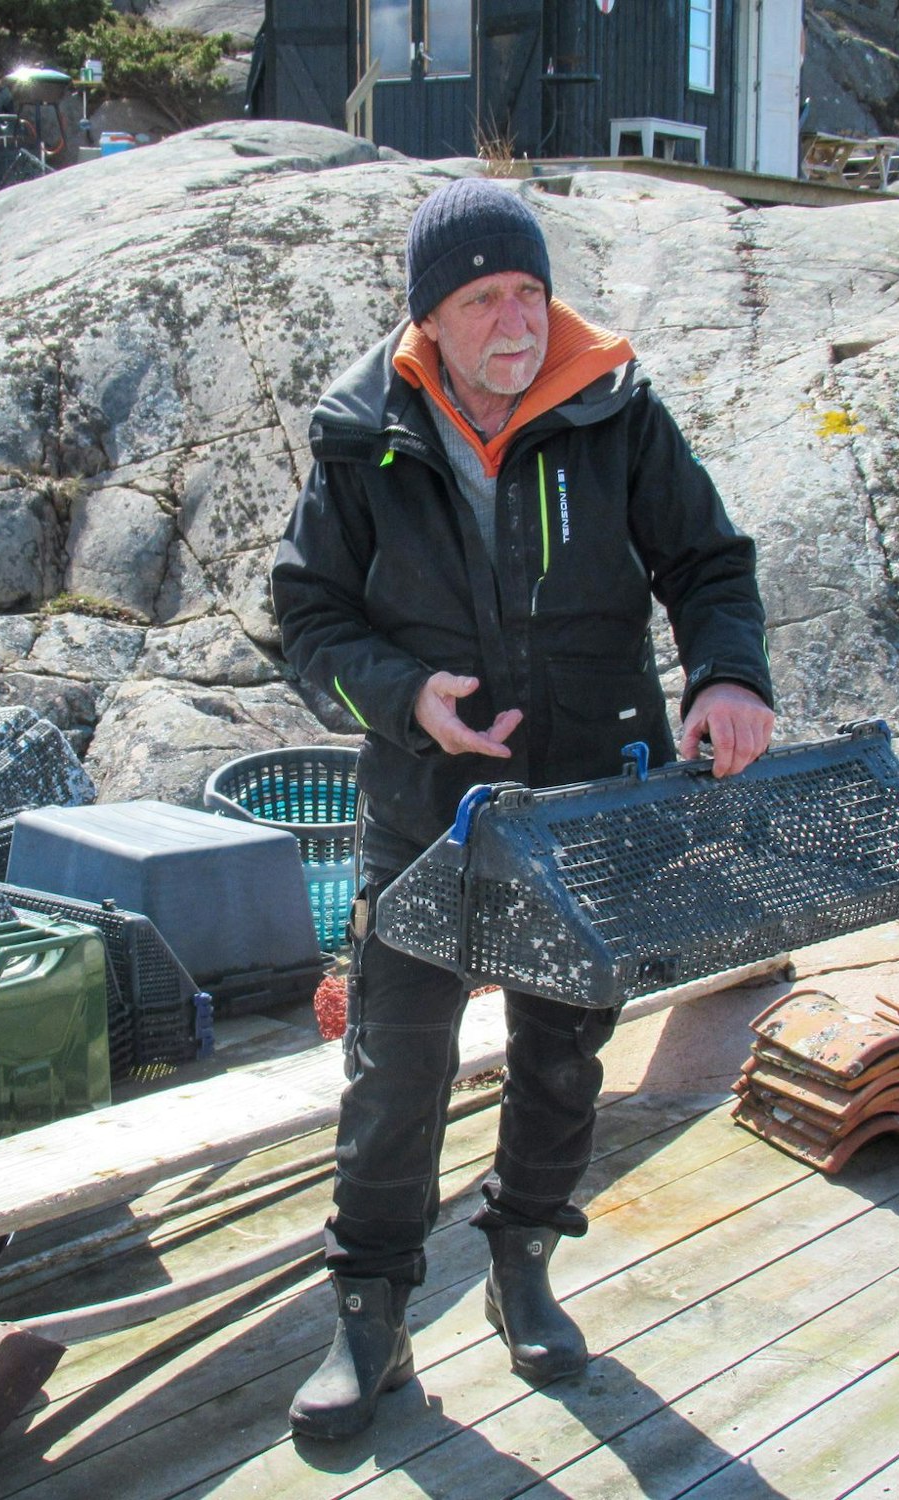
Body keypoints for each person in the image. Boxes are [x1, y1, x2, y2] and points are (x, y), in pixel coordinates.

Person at [271, 177, 774, 1440]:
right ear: (428, 319)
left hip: (592, 793)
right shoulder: (359, 436)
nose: (516, 320)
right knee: (395, 1064)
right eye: (482, 297)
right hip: (426, 806)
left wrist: (724, 674)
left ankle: (522, 1263)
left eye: (529, 291)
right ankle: (370, 1314)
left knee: (562, 1052)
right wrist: (402, 697)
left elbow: (707, 564)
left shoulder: (618, 411)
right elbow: (306, 617)